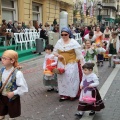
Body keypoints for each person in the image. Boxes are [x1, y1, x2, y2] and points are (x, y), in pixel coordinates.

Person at [53, 27, 84, 102]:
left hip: (71, 63)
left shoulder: (73, 42)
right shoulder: (59, 42)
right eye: (62, 34)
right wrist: (58, 55)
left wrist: (82, 64)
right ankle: (64, 95)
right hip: (61, 63)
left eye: (65, 34)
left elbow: (79, 54)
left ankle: (72, 94)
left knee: (70, 79)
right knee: (62, 79)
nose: (64, 36)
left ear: (69, 34)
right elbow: (54, 52)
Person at [0, 50, 28, 119]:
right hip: (2, 97)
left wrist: (14, 92)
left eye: (5, 58)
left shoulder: (17, 73)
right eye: (2, 58)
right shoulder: (2, 70)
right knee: (1, 112)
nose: (2, 60)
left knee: (12, 115)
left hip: (12, 98)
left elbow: (24, 88)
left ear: (12, 61)